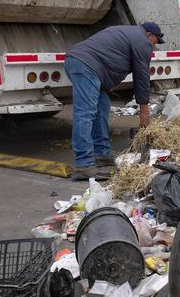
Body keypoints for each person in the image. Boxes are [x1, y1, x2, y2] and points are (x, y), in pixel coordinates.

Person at [65, 23, 163, 181]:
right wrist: (144, 112)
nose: (154, 46)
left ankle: (102, 154)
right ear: (149, 35)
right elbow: (142, 76)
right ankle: (84, 164)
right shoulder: (142, 41)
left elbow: (111, 56)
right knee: (85, 113)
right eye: (155, 41)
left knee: (102, 106)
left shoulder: (129, 33)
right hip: (85, 65)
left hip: (85, 64)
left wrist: (108, 82)